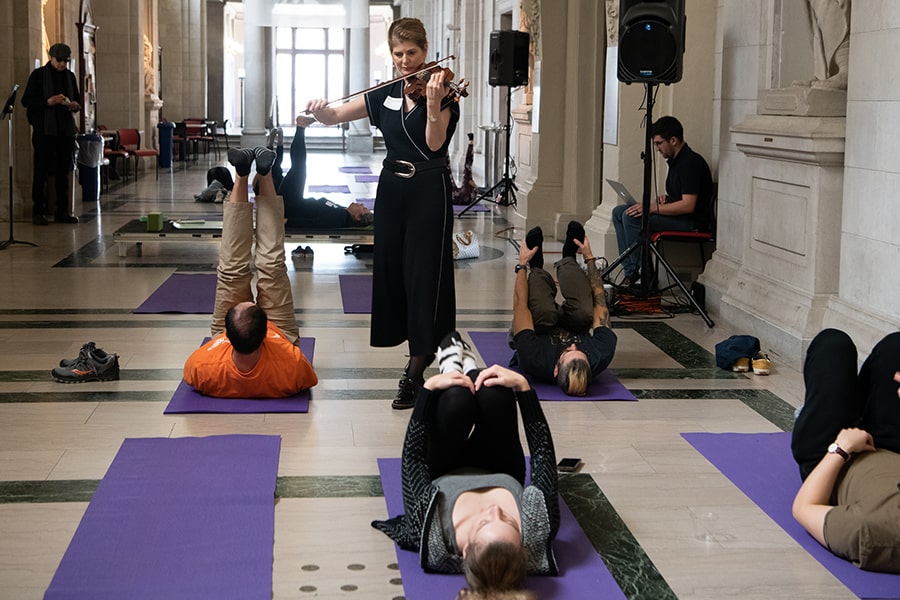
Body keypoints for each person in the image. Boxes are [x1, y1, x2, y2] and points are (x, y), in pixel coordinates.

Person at [306, 17, 459, 410]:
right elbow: (337, 116)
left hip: (429, 189)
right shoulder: (386, 92)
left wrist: (432, 104)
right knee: (393, 273)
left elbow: (433, 141)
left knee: (423, 274)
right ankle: (423, 347)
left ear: (426, 51)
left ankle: (416, 367)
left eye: (412, 53)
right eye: (398, 54)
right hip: (391, 190)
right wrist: (320, 112)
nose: (405, 61)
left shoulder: (444, 92)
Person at [372, 331, 560, 594]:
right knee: (495, 393)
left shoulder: (434, 535)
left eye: (485, 523)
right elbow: (542, 455)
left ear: (465, 549)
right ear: (523, 546)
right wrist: (524, 388)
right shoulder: (538, 527)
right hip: (499, 464)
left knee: (455, 400)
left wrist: (428, 391)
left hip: (444, 465)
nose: (494, 511)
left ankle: (453, 369)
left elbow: (412, 461)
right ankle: (472, 372)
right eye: (509, 522)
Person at [183, 146, 318, 398]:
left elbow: (190, 372)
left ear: (229, 336)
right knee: (271, 266)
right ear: (265, 330)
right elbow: (308, 377)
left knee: (233, 269)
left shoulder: (202, 366)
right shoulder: (293, 366)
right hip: (283, 334)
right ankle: (263, 174)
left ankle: (242, 174)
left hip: (245, 335)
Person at [790, 328, 900, 574]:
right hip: (892, 442)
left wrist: (841, 448)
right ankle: (859, 404)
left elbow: (803, 507)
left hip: (836, 458)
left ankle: (817, 413)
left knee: (833, 345)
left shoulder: (874, 535)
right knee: (897, 347)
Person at [510, 222, 617, 397]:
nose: (573, 345)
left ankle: (536, 265)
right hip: (574, 322)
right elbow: (600, 303)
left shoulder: (534, 358)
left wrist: (522, 264)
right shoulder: (601, 354)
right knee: (586, 310)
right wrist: (589, 258)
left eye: (568, 352)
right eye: (580, 351)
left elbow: (520, 304)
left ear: (555, 370)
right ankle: (569, 258)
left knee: (545, 310)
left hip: (539, 327)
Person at [611, 115, 713, 289]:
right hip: (681, 218)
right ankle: (630, 271)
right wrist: (667, 199)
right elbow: (681, 196)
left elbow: (688, 205)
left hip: (692, 223)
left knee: (633, 218)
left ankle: (642, 275)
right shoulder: (676, 162)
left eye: (659, 143)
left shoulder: (690, 163)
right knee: (619, 212)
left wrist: (653, 208)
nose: (657, 149)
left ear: (673, 140)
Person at [265, 115, 373, 229]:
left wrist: (287, 222)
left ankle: (300, 127)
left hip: (290, 206)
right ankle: (278, 148)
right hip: (293, 203)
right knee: (289, 170)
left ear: (357, 217)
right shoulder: (342, 211)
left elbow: (315, 223)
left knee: (299, 168)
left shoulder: (341, 217)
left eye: (363, 208)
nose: (361, 204)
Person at [21, 43, 82, 225]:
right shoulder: (39, 75)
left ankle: (62, 211)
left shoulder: (70, 77)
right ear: (51, 58)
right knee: (41, 171)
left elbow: (77, 100)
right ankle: (38, 211)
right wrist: (48, 101)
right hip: (45, 132)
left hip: (65, 131)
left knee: (63, 172)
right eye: (60, 60)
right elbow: (26, 101)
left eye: (66, 61)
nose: (63, 64)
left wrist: (74, 105)